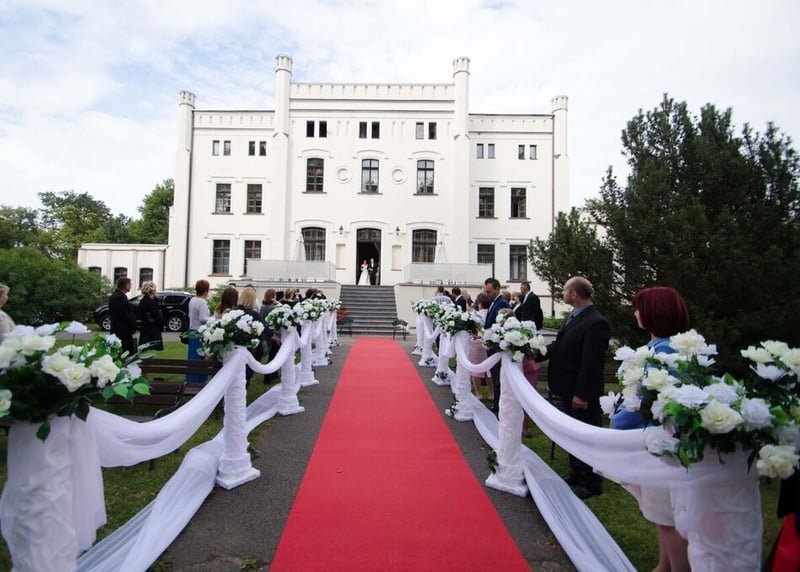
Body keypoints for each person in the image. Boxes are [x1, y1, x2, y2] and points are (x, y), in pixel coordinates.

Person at [611, 286, 690, 572]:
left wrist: (617, 421)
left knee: (667, 516)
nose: (635, 313)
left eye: (639, 308)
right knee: (660, 513)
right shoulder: (661, 346)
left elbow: (646, 399)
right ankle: (663, 564)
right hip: (655, 439)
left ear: (654, 314)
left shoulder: (664, 351)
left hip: (661, 442)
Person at [538, 276, 610, 499]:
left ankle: (591, 481)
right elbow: (560, 345)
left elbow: (591, 363)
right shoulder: (574, 315)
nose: (562, 293)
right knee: (572, 433)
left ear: (574, 294)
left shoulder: (595, 322)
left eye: (564, 290)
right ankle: (577, 471)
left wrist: (582, 394)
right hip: (567, 387)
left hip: (581, 391)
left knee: (585, 434)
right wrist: (533, 352)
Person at [483, 278, 511, 415]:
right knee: (495, 377)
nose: (487, 294)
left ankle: (498, 406)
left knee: (498, 378)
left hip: (496, 347)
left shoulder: (502, 303)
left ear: (498, 289)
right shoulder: (494, 302)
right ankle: (496, 403)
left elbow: (501, 325)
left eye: (489, 291)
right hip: (491, 344)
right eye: (485, 291)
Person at [237, 287, 266, 384]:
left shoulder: (234, 312)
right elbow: (262, 330)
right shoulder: (254, 314)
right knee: (247, 373)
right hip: (251, 348)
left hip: (236, 347)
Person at [469, 293, 493, 399]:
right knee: (489, 369)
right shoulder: (492, 313)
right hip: (489, 342)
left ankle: (478, 393)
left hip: (477, 342)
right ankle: (491, 393)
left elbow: (473, 329)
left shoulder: (477, 315)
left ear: (479, 304)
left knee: (475, 368)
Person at [187, 280, 211, 382]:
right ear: (206, 291)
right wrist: (212, 320)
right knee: (200, 356)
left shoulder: (192, 300)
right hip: (199, 332)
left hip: (192, 330)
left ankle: (190, 379)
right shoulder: (202, 302)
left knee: (192, 356)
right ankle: (198, 380)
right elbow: (203, 319)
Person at [109, 277, 138, 355]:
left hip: (123, 329)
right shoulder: (119, 298)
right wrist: (133, 325)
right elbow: (125, 314)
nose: (131, 286)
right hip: (121, 330)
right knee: (125, 351)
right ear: (125, 285)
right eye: (130, 284)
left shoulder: (120, 296)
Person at [258, 289, 281, 383]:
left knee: (273, 355)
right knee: (273, 356)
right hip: (273, 334)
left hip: (266, 333)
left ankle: (274, 374)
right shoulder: (273, 308)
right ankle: (268, 377)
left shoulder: (262, 308)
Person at [137, 281, 164, 351]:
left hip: (145, 328)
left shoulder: (143, 301)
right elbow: (157, 316)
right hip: (152, 329)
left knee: (146, 349)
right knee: (151, 349)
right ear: (152, 290)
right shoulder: (151, 302)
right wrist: (161, 326)